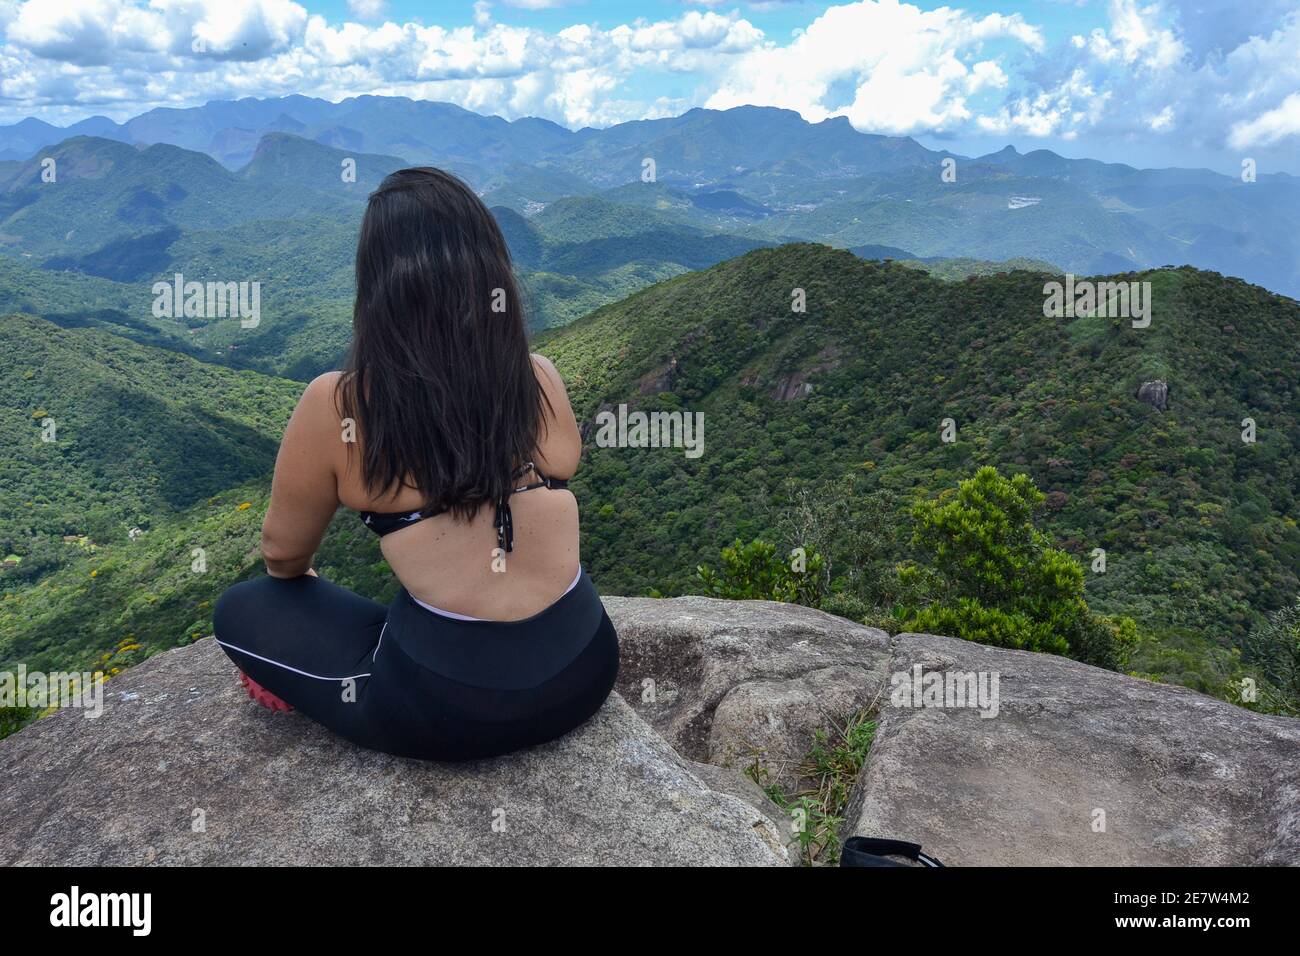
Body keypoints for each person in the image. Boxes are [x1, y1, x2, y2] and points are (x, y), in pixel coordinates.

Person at [213, 167, 619, 761]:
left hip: (450, 708)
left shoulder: (340, 404)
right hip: (586, 669)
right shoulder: (539, 379)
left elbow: (282, 556)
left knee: (241, 607)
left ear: (377, 286)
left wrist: (307, 593)